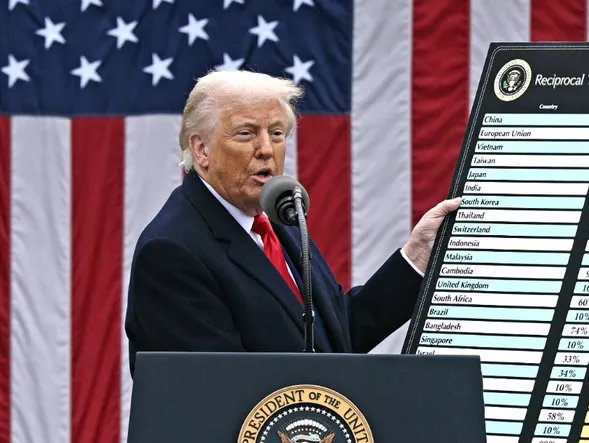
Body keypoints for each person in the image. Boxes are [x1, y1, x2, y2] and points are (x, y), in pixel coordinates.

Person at [125, 70, 459, 373]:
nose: (266, 149)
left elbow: (332, 340)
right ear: (201, 150)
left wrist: (415, 258)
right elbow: (216, 390)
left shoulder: (278, 218)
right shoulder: (171, 251)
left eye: (277, 133)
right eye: (245, 133)